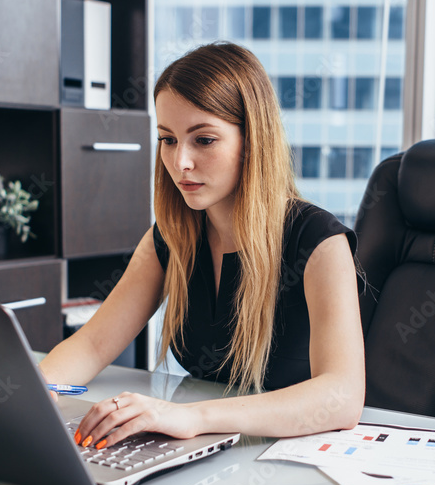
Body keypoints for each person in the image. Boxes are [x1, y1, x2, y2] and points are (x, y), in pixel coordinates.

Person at [38, 41, 364, 449]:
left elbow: (342, 397)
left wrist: (192, 417)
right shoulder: (172, 236)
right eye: (168, 139)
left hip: (288, 455)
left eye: (204, 140)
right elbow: (93, 343)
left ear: (253, 140)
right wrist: (38, 387)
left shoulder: (319, 242)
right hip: (205, 450)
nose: (180, 163)